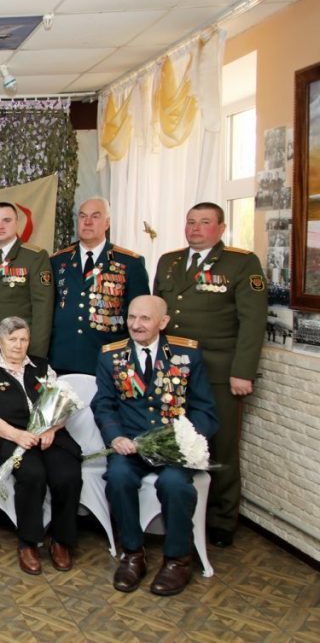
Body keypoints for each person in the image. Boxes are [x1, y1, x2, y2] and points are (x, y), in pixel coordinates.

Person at [153, 202, 266, 547]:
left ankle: (221, 518)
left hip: (218, 370)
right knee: (172, 439)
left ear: (221, 228)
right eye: (191, 222)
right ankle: (174, 511)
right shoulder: (169, 261)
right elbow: (157, 313)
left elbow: (253, 322)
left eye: (204, 222)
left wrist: (243, 372)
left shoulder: (241, 263)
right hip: (173, 369)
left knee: (220, 443)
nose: (196, 228)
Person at [91, 295, 217, 596]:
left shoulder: (187, 354)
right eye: (132, 317)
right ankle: (133, 554)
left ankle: (178, 560)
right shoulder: (111, 356)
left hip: (173, 446)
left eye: (145, 319)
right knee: (118, 477)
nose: (136, 325)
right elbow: (104, 405)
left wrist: (185, 439)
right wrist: (115, 437)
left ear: (163, 322)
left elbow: (205, 409)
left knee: (174, 484)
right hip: (131, 445)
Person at [0, 316, 82, 576]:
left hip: (49, 436)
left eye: (23, 339)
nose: (18, 345)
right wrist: (17, 435)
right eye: (12, 339)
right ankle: (29, 542)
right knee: (32, 474)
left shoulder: (42, 366)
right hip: (10, 438)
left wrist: (52, 429)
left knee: (67, 474)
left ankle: (61, 540)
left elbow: (64, 403)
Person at [48, 198, 149, 375]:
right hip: (62, 358)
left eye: (95, 216)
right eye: (82, 216)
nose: (87, 222)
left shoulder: (130, 263)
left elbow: (141, 314)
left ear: (107, 223)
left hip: (108, 360)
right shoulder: (57, 260)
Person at [0, 203, 53, 363]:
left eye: (6, 220)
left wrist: (35, 357)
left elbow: (43, 312)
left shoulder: (34, 257)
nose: (0, 226)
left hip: (18, 350)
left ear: (16, 223)